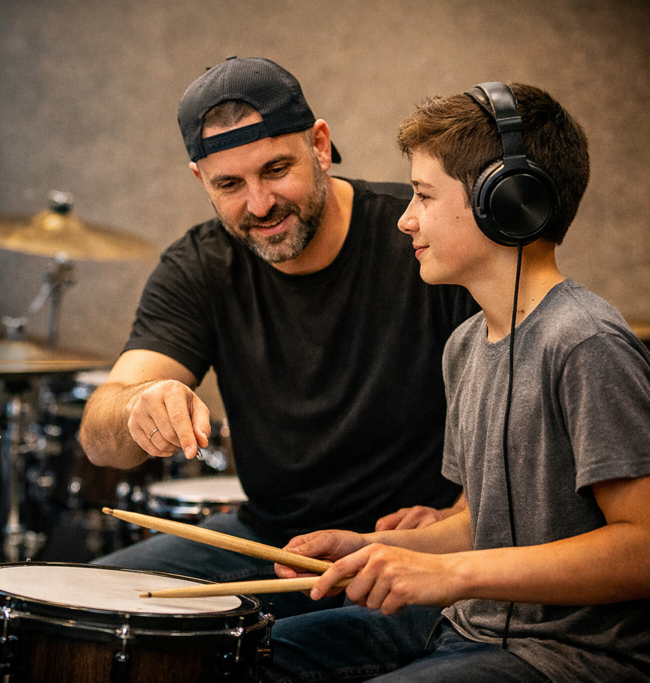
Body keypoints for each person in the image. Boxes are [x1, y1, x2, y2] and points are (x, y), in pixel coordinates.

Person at [267, 82, 650, 681]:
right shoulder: (467, 345)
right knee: (258, 655)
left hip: (571, 657)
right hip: (468, 626)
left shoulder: (584, 343)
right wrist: (369, 547)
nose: (404, 218)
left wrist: (451, 576)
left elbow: (643, 547)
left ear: (508, 202)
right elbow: (485, 523)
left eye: (423, 195)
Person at [78, 57, 476, 617]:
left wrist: (459, 519)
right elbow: (98, 438)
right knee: (77, 608)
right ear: (201, 180)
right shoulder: (199, 265)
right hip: (268, 541)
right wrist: (137, 408)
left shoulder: (420, 238)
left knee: (264, 659)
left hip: (407, 555)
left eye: (275, 170)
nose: (259, 204)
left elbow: (514, 418)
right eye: (230, 184)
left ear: (319, 144)